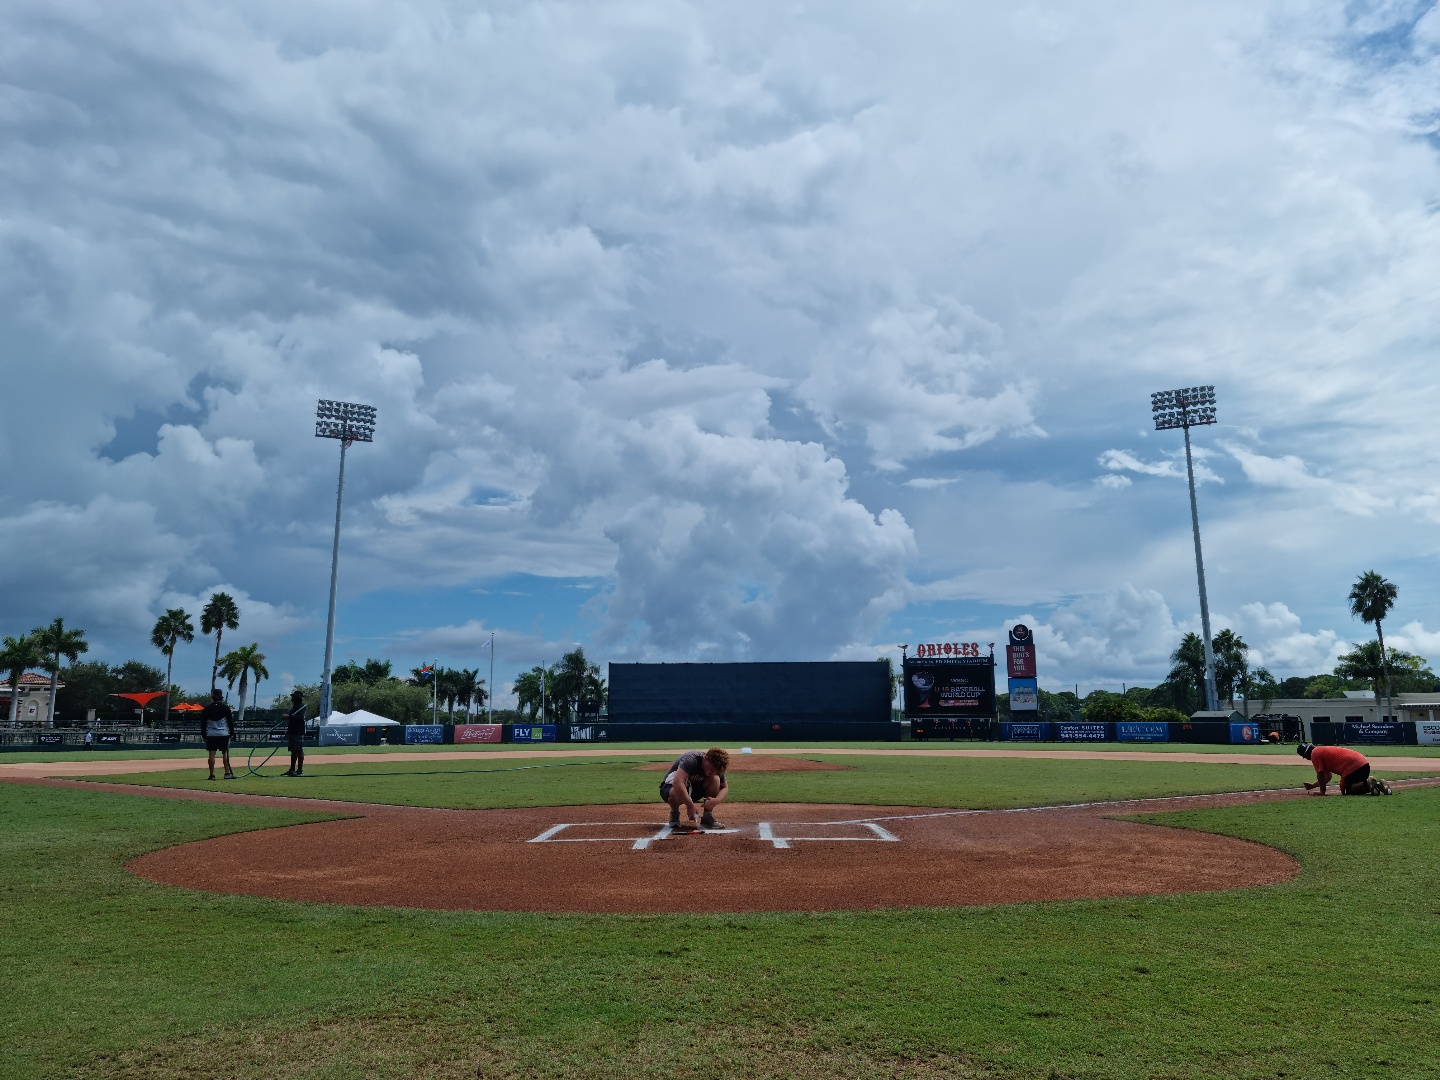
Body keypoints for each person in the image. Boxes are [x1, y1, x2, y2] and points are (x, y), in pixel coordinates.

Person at [660, 747, 729, 829]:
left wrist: (716, 800)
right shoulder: (691, 759)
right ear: (706, 758)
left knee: (715, 779)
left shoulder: (717, 767)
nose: (713, 772)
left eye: (715, 770)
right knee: (676, 790)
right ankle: (675, 813)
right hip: (669, 788)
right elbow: (677, 782)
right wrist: (690, 806)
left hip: (693, 790)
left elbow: (724, 787)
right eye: (711, 769)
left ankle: (707, 816)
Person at [1298, 742, 1391, 796]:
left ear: (1306, 755)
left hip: (1353, 767)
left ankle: (1367, 783)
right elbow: (1327, 776)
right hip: (1364, 765)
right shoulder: (1320, 750)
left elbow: (1320, 774)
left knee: (1346, 790)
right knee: (1357, 786)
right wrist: (1313, 786)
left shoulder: (1315, 753)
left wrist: (1322, 791)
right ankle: (1379, 785)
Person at [200, 688, 236, 781]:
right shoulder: (225, 708)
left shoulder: (207, 708)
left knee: (211, 754)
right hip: (223, 733)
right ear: (221, 696)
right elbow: (230, 722)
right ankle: (227, 773)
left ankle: (212, 775)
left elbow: (203, 723)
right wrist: (232, 733)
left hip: (211, 734)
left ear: (213, 696)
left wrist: (204, 735)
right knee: (225, 754)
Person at [283, 689, 306, 777]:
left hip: (298, 731)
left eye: (293, 696)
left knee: (299, 750)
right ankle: (292, 769)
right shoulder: (294, 707)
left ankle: (300, 770)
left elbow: (300, 717)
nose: (292, 698)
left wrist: (289, 716)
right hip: (292, 731)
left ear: (297, 698)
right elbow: (292, 718)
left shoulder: (302, 706)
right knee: (293, 751)